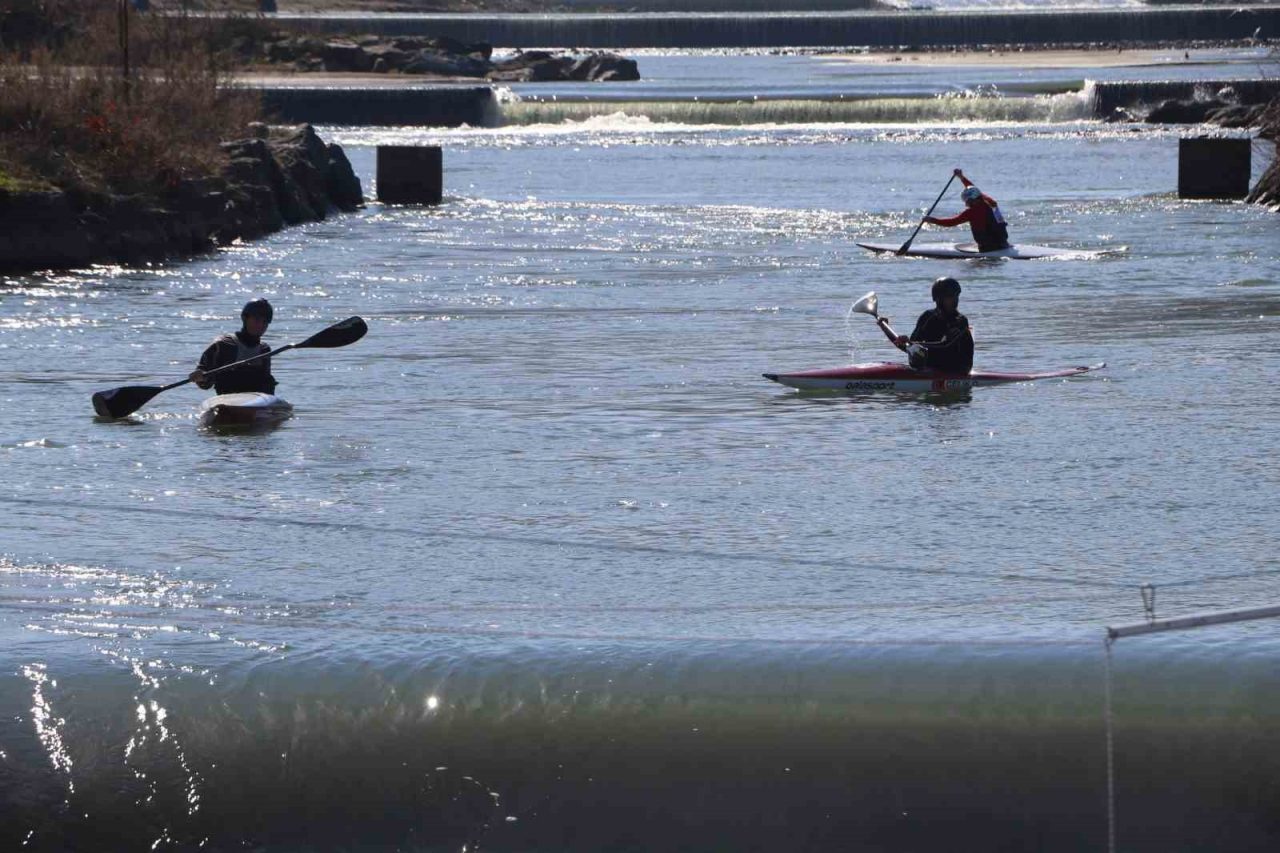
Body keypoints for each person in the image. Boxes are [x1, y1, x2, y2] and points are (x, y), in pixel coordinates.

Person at [189, 299, 278, 395]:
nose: (261, 325)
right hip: (229, 400)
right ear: (245, 318)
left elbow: (267, 387)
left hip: (257, 401)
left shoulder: (264, 350)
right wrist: (201, 377)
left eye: (265, 322)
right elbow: (205, 384)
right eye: (256, 320)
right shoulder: (223, 344)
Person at [892, 277, 974, 374]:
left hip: (958, 368)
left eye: (956, 296)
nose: (955, 300)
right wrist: (883, 325)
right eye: (950, 296)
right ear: (938, 298)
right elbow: (910, 348)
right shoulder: (927, 317)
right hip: (935, 365)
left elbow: (945, 345)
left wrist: (912, 343)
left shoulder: (960, 321)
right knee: (916, 352)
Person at [923, 169, 1010, 252]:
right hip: (1003, 242)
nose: (966, 203)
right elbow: (974, 189)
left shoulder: (971, 212)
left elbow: (951, 222)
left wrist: (931, 220)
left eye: (967, 200)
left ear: (972, 200)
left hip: (988, 247)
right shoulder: (991, 202)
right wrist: (961, 177)